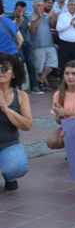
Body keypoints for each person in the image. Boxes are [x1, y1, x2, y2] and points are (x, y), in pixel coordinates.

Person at [0, 53, 31, 191]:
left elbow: (27, 125)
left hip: (9, 143)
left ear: (13, 74)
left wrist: (6, 109)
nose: (0, 72)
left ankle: (9, 176)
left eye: (4, 68)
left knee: (16, 167)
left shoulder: (21, 96)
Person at [6, 1, 36, 94]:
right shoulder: (9, 18)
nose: (21, 13)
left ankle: (34, 86)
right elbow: (12, 33)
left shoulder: (26, 17)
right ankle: (18, 86)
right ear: (15, 8)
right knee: (20, 62)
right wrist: (19, 22)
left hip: (26, 42)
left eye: (23, 10)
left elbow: (31, 31)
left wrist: (33, 21)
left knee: (31, 63)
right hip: (16, 43)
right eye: (19, 10)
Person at [28, 0, 58, 91]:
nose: (40, 7)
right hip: (37, 46)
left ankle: (41, 80)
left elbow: (53, 26)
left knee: (53, 63)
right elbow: (32, 30)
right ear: (33, 6)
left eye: (41, 5)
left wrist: (54, 18)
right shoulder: (30, 16)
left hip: (50, 44)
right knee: (39, 67)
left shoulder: (46, 15)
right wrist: (40, 17)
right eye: (38, 5)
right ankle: (40, 84)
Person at [56, 0, 75, 71]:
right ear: (67, 6)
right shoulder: (62, 16)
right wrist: (69, 24)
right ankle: (63, 81)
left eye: (74, 5)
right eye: (70, 4)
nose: (72, 6)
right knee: (63, 65)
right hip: (65, 45)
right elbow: (58, 28)